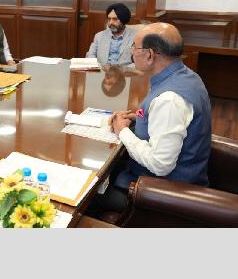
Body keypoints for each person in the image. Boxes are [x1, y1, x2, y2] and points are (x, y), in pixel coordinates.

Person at [90, 22, 212, 214]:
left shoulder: (169, 99)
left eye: (135, 47)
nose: (131, 51)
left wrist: (122, 131)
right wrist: (139, 117)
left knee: (88, 190)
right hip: (174, 176)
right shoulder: (186, 76)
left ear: (149, 55)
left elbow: (160, 165)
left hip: (163, 191)